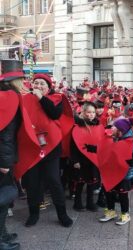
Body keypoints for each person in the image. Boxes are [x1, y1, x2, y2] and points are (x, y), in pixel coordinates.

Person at [21, 74, 73, 227]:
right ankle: (33, 214)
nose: (38, 85)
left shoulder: (56, 98)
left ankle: (62, 214)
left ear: (48, 87)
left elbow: (55, 114)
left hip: (51, 146)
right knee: (32, 183)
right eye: (35, 83)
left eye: (42, 83)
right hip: (32, 147)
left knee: (54, 180)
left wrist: (40, 98)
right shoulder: (25, 99)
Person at [0, 60, 25, 250]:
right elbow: (5, 135)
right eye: (21, 80)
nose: (24, 83)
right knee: (2, 200)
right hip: (2, 159)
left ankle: (3, 233)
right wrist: (5, 162)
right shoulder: (9, 98)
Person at [98, 118, 133, 225]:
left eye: (114, 126)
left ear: (120, 130)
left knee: (122, 195)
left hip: (124, 174)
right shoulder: (111, 139)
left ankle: (125, 214)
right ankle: (111, 212)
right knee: (109, 192)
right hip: (111, 172)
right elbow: (105, 150)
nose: (111, 128)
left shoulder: (130, 142)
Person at [70, 102, 103, 212]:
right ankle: (77, 203)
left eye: (93, 112)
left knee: (92, 182)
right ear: (83, 112)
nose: (92, 114)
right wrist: (75, 160)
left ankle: (90, 202)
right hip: (81, 159)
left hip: (93, 158)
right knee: (80, 182)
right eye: (89, 112)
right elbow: (73, 145)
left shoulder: (98, 125)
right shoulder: (77, 126)